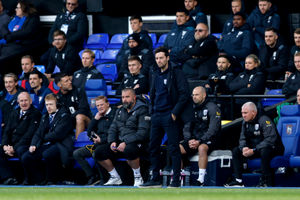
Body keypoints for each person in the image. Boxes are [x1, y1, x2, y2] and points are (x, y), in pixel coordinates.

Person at [140, 47, 190, 188]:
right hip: (156, 115)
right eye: (157, 58)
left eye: (161, 58)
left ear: (167, 58)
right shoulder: (154, 73)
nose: (159, 61)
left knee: (173, 148)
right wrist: (152, 110)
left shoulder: (176, 72)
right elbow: (153, 93)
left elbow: (184, 94)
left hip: (170, 115)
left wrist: (174, 113)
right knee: (153, 148)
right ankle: (155, 179)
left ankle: (175, 181)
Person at [94, 88, 150, 187]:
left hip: (138, 143)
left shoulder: (143, 110)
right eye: (123, 97)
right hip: (121, 142)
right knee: (98, 152)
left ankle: (138, 177)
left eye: (127, 97)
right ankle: (115, 177)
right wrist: (112, 142)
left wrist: (125, 142)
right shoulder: (120, 110)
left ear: (134, 97)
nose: (124, 100)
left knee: (129, 149)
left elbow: (142, 133)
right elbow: (113, 128)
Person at [224, 102, 284, 187]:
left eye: (245, 113)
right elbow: (242, 138)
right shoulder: (245, 122)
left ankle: (265, 181)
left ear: (253, 112)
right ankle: (238, 181)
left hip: (273, 148)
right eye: (242, 113)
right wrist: (244, 148)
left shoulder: (264, 119)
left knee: (265, 151)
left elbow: (271, 139)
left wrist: (254, 150)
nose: (243, 115)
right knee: (236, 151)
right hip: (255, 149)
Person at [21, 93, 74, 185]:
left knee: (47, 154)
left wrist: (42, 138)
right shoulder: (45, 116)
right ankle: (38, 179)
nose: (48, 107)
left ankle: (51, 180)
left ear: (57, 104)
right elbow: (38, 132)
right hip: (47, 144)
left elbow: (57, 135)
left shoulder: (65, 116)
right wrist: (33, 144)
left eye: (51, 104)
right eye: (47, 105)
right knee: (26, 156)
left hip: (60, 144)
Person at [180, 86, 221, 186]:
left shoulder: (213, 107)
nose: (194, 97)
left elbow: (213, 129)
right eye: (193, 95)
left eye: (197, 95)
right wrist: (189, 140)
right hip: (194, 139)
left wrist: (200, 140)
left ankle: (201, 179)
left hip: (210, 139)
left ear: (204, 95)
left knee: (202, 148)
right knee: (177, 148)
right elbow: (186, 127)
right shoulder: (190, 108)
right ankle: (179, 176)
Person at [73, 96, 116, 185]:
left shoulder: (115, 114)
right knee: (77, 153)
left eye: (101, 104)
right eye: (97, 105)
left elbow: (116, 132)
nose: (99, 107)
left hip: (109, 143)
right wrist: (95, 119)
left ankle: (103, 178)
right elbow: (89, 132)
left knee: (96, 152)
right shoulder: (98, 116)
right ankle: (92, 177)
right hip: (97, 144)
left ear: (107, 104)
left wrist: (102, 140)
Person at [0, 92, 41, 185]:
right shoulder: (14, 112)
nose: (24, 103)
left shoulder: (35, 114)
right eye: (21, 101)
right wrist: (4, 146)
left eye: (26, 100)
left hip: (25, 144)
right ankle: (8, 177)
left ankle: (28, 179)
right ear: (18, 102)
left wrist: (14, 148)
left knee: (21, 151)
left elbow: (29, 134)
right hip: (11, 144)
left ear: (30, 101)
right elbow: (7, 131)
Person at [55, 73, 91, 138]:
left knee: (79, 117)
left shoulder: (79, 91)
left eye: (69, 79)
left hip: (86, 120)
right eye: (66, 81)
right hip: (69, 122)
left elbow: (83, 109)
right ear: (59, 85)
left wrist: (70, 118)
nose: (70, 82)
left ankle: (78, 143)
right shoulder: (58, 97)